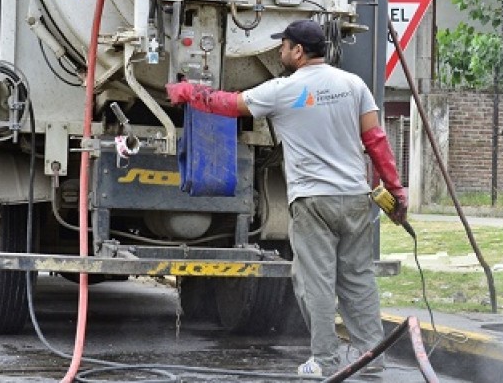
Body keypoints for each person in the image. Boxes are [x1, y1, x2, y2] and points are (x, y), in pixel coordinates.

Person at [165, 19, 407, 377]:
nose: (279, 51)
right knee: (358, 280)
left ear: (298, 51)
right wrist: (396, 189)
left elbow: (228, 104)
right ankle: (371, 356)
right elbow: (376, 141)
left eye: (283, 46)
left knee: (315, 282)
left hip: (313, 202)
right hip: (356, 198)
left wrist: (188, 93)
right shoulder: (354, 85)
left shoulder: (282, 90)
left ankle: (324, 361)